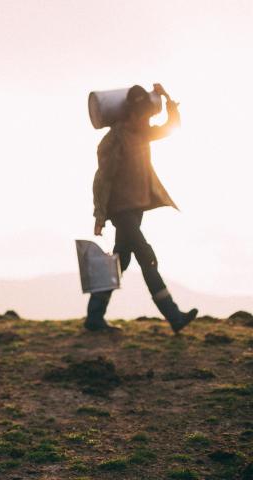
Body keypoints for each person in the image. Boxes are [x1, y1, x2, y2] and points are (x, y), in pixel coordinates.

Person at [87, 83, 197, 333]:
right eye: (143, 115)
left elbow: (172, 127)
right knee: (146, 256)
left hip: (135, 209)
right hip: (121, 211)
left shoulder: (143, 132)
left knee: (120, 262)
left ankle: (94, 317)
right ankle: (174, 315)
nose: (147, 120)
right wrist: (100, 215)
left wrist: (168, 98)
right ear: (131, 114)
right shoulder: (115, 139)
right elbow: (102, 179)